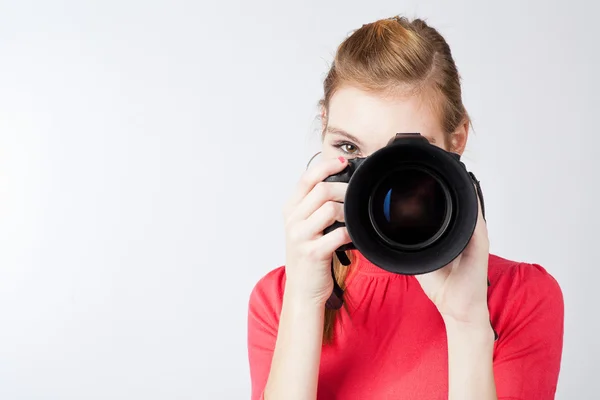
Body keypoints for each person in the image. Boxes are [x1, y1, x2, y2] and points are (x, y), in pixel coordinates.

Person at [247, 15, 564, 400]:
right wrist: (304, 300)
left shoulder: (521, 297)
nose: (374, 183)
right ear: (324, 129)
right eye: (349, 148)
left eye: (402, 156)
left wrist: (467, 324)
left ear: (455, 140)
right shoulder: (279, 298)